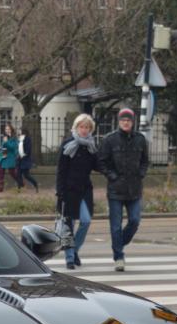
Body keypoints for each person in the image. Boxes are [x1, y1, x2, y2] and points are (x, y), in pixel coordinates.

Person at [98, 107, 149, 272]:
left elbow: (145, 160)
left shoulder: (140, 140)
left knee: (134, 220)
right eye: (123, 120)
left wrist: (141, 173)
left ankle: (119, 242)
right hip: (116, 189)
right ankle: (118, 257)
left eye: (128, 120)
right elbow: (102, 162)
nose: (126, 123)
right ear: (119, 122)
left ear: (132, 122)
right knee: (115, 226)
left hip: (134, 188)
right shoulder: (110, 140)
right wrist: (112, 176)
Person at [55, 113, 100, 270]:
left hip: (84, 190)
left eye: (87, 127)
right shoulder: (68, 144)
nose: (84, 130)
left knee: (86, 221)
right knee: (68, 225)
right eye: (82, 127)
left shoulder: (91, 146)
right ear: (76, 127)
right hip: (68, 190)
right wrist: (60, 192)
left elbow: (97, 165)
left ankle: (74, 251)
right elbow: (61, 170)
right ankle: (69, 258)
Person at [0, 122, 20, 192]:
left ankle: (20, 183)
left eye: (8, 129)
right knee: (1, 173)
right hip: (3, 156)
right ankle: (0, 188)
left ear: (11, 130)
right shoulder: (5, 137)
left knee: (12, 172)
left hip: (10, 157)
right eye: (6, 129)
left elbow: (13, 148)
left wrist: (6, 142)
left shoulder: (15, 138)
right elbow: (3, 146)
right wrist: (0, 153)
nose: (7, 130)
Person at [16, 126, 39, 192]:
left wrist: (23, 155)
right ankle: (19, 188)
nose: (19, 132)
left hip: (25, 159)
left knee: (26, 175)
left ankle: (35, 183)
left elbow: (28, 150)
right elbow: (18, 148)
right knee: (18, 174)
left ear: (23, 131)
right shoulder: (19, 139)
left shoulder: (28, 139)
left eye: (20, 130)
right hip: (19, 159)